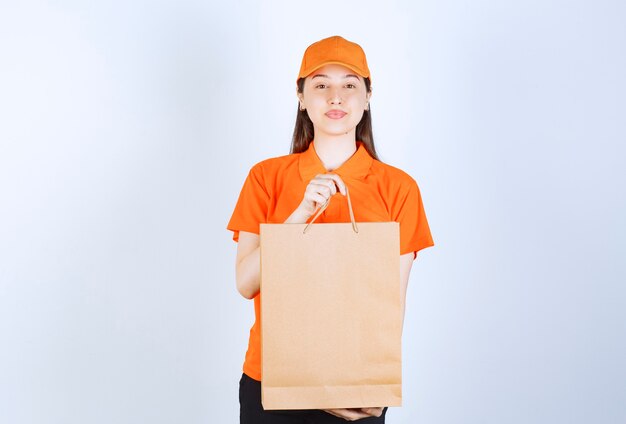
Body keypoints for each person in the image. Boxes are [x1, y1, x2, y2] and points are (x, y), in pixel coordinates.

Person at [227, 35, 434, 423]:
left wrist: (373, 387)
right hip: (273, 382)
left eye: (349, 85)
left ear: (368, 96)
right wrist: (298, 215)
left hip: (357, 388)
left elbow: (393, 304)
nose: (335, 97)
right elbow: (246, 282)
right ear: (301, 96)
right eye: (321, 85)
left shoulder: (398, 188)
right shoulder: (265, 178)